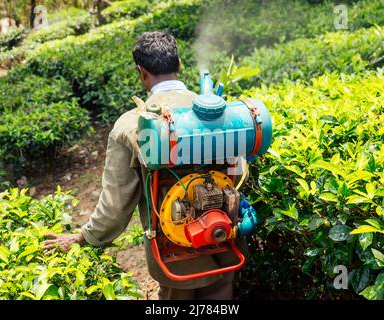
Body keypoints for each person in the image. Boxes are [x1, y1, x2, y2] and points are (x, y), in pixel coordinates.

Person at [42, 31, 246, 300]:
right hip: (225, 240)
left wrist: (83, 237)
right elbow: (239, 172)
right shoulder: (220, 112)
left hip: (175, 254)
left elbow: (115, 205)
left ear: (141, 72)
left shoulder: (132, 125)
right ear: (179, 65)